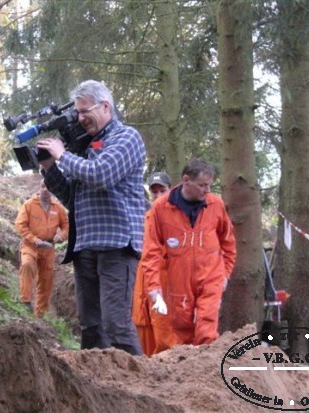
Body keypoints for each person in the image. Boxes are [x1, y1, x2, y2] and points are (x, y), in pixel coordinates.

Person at [36, 80, 146, 355]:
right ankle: (98, 389)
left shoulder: (126, 137)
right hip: (85, 244)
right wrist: (50, 167)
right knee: (91, 326)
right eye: (78, 113)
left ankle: (140, 387)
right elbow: (71, 197)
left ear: (105, 106)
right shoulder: (81, 148)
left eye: (85, 111)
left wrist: (62, 155)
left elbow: (101, 175)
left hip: (117, 244)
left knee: (115, 324)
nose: (81, 118)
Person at [142, 159, 236, 346]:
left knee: (206, 330)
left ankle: (210, 369)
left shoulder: (215, 205)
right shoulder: (161, 208)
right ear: (186, 180)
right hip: (179, 279)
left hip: (211, 276)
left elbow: (228, 243)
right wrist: (154, 289)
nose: (206, 190)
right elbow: (151, 251)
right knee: (180, 330)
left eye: (209, 185)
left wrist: (225, 274)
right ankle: (188, 371)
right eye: (202, 185)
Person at [132, 172, 176, 356]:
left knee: (164, 329)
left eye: (162, 191)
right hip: (143, 280)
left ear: (170, 191)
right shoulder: (145, 217)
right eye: (154, 192)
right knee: (142, 324)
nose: (158, 196)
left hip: (165, 282)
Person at [15, 180, 69, 317]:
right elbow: (20, 225)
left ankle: (40, 314)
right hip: (30, 245)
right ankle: (25, 301)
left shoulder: (57, 208)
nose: (45, 189)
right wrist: (35, 239)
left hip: (49, 248)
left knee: (46, 280)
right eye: (43, 186)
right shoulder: (29, 205)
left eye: (48, 187)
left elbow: (66, 226)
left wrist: (61, 236)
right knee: (27, 265)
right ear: (39, 188)